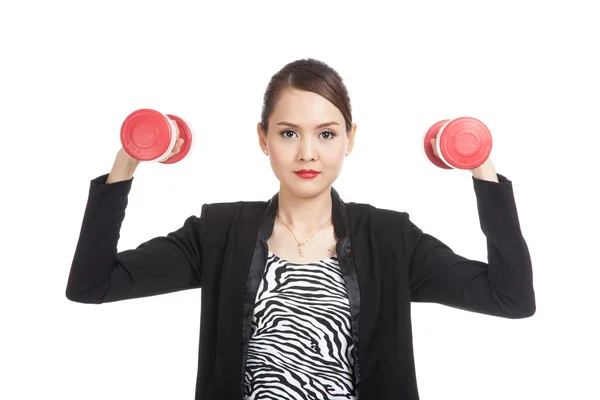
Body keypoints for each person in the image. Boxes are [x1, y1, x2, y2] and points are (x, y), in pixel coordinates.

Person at [65, 58, 536, 400]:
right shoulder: (220, 232)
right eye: (289, 133)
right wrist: (129, 158)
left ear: (350, 139)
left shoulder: (389, 238)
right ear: (262, 138)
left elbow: (511, 298)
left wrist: (480, 167)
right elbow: (92, 284)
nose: (307, 153)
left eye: (326, 134)